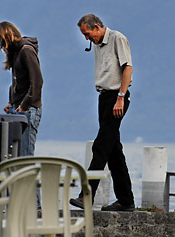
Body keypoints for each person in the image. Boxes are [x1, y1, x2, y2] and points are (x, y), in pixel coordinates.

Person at [70, 14, 135, 212]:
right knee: (113, 151)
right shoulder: (97, 44)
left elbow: (128, 68)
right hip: (104, 97)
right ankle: (126, 200)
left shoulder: (117, 38)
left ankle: (86, 195)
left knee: (100, 146)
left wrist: (121, 97)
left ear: (97, 27)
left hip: (117, 96)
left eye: (88, 34)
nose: (87, 38)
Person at [0, 22, 42, 157]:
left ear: (8, 37)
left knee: (24, 154)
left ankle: (27, 178)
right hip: (18, 108)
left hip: (28, 110)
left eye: (2, 42)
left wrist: (24, 106)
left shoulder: (26, 50)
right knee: (14, 155)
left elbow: (37, 81)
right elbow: (18, 82)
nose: (2, 47)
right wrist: (11, 102)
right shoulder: (16, 53)